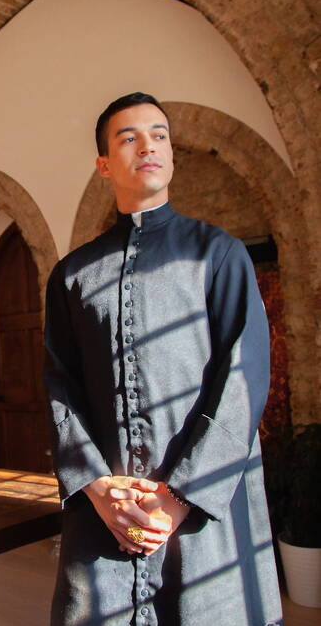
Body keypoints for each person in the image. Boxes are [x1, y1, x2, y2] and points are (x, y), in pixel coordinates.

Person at [43, 92, 283, 626]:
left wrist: (177, 498)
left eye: (159, 135)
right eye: (128, 138)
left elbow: (244, 378)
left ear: (171, 154)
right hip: (106, 512)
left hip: (201, 508)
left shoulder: (219, 254)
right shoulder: (72, 275)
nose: (147, 146)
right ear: (105, 165)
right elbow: (61, 388)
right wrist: (96, 488)